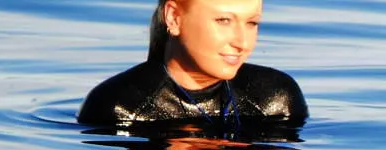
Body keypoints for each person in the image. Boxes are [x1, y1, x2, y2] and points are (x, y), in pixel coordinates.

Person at [78, 0, 308, 126]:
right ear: (174, 18)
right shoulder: (120, 108)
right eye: (223, 20)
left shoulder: (275, 98)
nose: (243, 42)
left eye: (252, 23)